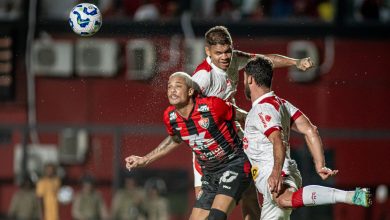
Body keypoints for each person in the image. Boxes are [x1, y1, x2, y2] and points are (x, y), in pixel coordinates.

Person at [191, 25, 315, 219]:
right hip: (209, 147)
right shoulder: (202, 77)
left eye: (228, 51)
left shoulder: (233, 59)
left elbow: (264, 62)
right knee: (204, 203)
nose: (225, 57)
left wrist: (296, 62)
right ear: (207, 51)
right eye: (219, 53)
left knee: (249, 190)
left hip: (233, 137)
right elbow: (188, 111)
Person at [242, 56, 371, 219]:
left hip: (276, 175)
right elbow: (310, 130)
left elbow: (278, 140)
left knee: (284, 199)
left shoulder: (263, 109)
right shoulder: (280, 104)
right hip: (276, 176)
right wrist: (320, 164)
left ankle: (352, 196)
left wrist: (276, 172)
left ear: (250, 79)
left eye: (244, 78)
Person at [125, 72, 252, 220]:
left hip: (233, 165)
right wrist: (144, 159)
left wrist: (263, 139)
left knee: (217, 217)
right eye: (169, 87)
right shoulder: (170, 117)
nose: (172, 90)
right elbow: (174, 139)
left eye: (178, 86)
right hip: (210, 174)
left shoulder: (212, 105)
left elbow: (246, 117)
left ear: (190, 91)